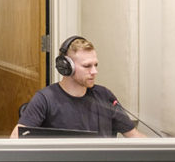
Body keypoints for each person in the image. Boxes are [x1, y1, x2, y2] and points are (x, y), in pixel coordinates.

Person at [11, 36, 145, 138]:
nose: (94, 71)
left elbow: (134, 136)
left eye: (95, 65)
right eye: (87, 66)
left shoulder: (104, 96)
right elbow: (15, 140)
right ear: (66, 67)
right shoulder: (45, 99)